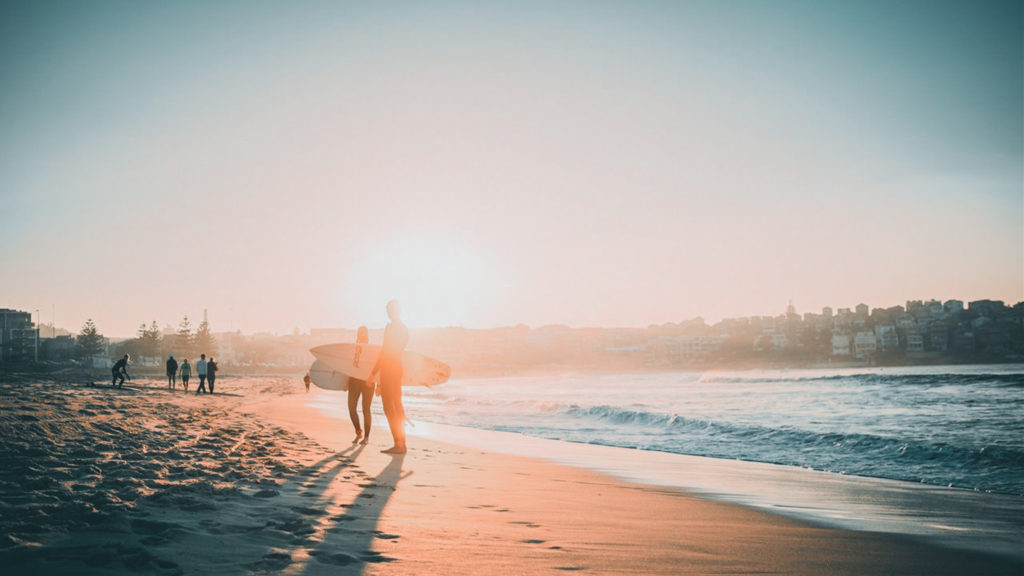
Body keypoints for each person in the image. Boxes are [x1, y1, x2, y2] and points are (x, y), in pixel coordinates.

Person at [367, 300, 408, 454]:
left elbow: (385, 351)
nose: (387, 313)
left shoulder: (391, 328)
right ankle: (401, 443)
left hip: (389, 368)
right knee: (397, 404)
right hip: (397, 368)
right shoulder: (404, 329)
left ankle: (399, 443)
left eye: (388, 310)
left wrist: (374, 374)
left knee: (390, 406)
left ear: (393, 311)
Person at [347, 326, 374, 445]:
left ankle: (366, 437)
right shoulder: (353, 348)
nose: (361, 335)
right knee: (351, 408)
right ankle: (358, 432)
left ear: (367, 335)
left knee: (366, 409)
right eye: (360, 332)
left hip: (368, 382)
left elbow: (377, 366)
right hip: (354, 381)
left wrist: (379, 384)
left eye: (364, 333)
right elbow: (348, 365)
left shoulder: (372, 350)